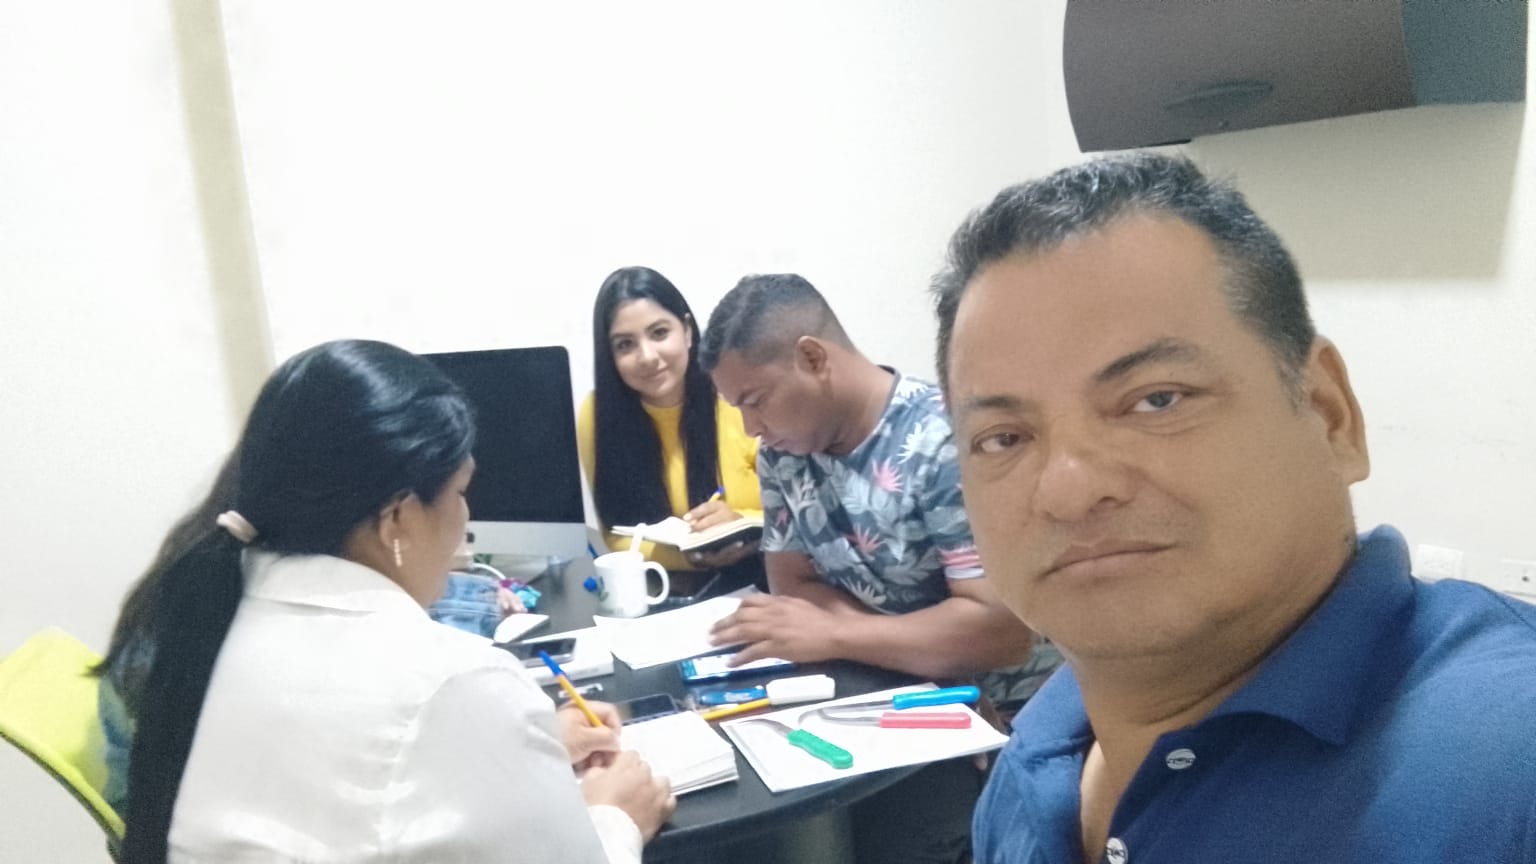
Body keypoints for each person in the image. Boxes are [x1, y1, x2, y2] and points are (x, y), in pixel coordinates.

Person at [932, 153, 1536, 864]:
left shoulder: (1506, 774)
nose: (1069, 489)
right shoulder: (1033, 757)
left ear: (1329, 415)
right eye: (1003, 438)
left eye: (1157, 400)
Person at [98, 340, 674, 864]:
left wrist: (518, 743)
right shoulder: (455, 680)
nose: (467, 519)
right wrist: (614, 818)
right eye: (461, 493)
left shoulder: (214, 619)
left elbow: (348, 783)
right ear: (397, 517)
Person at [700, 273, 1061, 864]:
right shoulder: (783, 456)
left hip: (1001, 717)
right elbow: (792, 589)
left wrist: (837, 635)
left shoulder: (942, 441)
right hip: (891, 696)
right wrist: (914, 647)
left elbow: (998, 631)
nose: (750, 428)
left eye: (755, 400)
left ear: (813, 358)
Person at [578, 266, 763, 578]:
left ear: (687, 331)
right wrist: (692, 557)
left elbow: (800, 510)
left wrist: (741, 522)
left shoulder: (735, 393)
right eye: (625, 345)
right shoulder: (598, 414)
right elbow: (616, 534)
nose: (647, 356)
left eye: (659, 333)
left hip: (764, 575)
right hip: (667, 588)